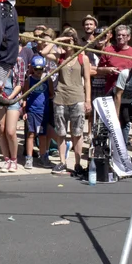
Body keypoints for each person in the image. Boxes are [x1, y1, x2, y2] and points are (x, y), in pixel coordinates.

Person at [45, 28, 91, 175]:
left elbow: (88, 81)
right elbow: (43, 53)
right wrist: (57, 40)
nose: (68, 43)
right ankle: (62, 162)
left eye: (70, 40)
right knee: (61, 132)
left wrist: (88, 100)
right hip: (60, 98)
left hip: (77, 98)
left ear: (75, 41)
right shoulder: (60, 56)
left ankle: (78, 164)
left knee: (77, 133)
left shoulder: (83, 57)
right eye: (66, 40)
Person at [0, 56, 25, 172]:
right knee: (1, 129)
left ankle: (14, 159)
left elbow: (20, 83)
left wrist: (10, 98)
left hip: (13, 97)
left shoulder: (19, 61)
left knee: (10, 131)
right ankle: (6, 159)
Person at [23, 55, 54, 169]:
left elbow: (51, 94)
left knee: (42, 135)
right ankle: (29, 158)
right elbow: (24, 97)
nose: (38, 72)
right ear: (32, 68)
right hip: (32, 111)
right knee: (31, 134)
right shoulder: (29, 80)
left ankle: (43, 157)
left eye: (41, 69)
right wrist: (24, 111)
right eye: (36, 69)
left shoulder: (47, 79)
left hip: (43, 112)